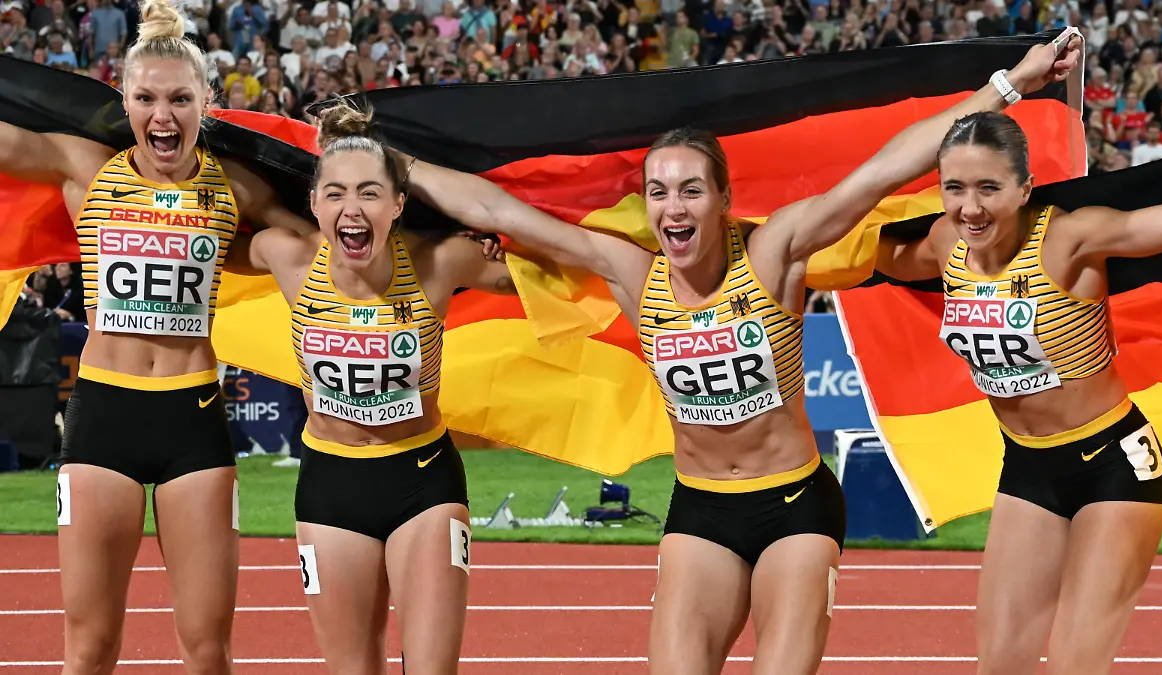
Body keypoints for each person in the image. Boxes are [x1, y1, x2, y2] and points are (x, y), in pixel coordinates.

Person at [388, 34, 1081, 675]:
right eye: (658, 191)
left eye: (691, 188)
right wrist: (393, 164)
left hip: (796, 509)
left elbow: (882, 171)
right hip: (703, 510)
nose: (673, 205)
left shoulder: (775, 252)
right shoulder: (634, 274)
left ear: (722, 198)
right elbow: (500, 212)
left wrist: (1008, 85)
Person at [0, 1, 316, 672]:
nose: (163, 115)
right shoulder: (85, 167)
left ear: (206, 102)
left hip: (193, 417)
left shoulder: (234, 185)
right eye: (146, 98)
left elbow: (329, 236)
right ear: (125, 102)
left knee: (206, 648)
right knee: (89, 645)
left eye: (179, 98)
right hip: (101, 417)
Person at [875, 109, 1162, 675]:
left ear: (1024, 189)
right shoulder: (946, 243)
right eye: (955, 187)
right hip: (1028, 468)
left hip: (1113, 465)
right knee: (1000, 666)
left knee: (1073, 665)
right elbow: (859, 249)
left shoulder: (1069, 238)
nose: (971, 207)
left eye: (989, 187)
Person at [226, 100, 516, 675]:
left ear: (398, 204)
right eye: (335, 194)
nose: (351, 209)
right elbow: (208, 231)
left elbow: (546, 271)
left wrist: (503, 242)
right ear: (313, 203)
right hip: (331, 485)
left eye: (369, 193)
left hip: (423, 482)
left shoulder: (441, 263)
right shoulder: (287, 257)